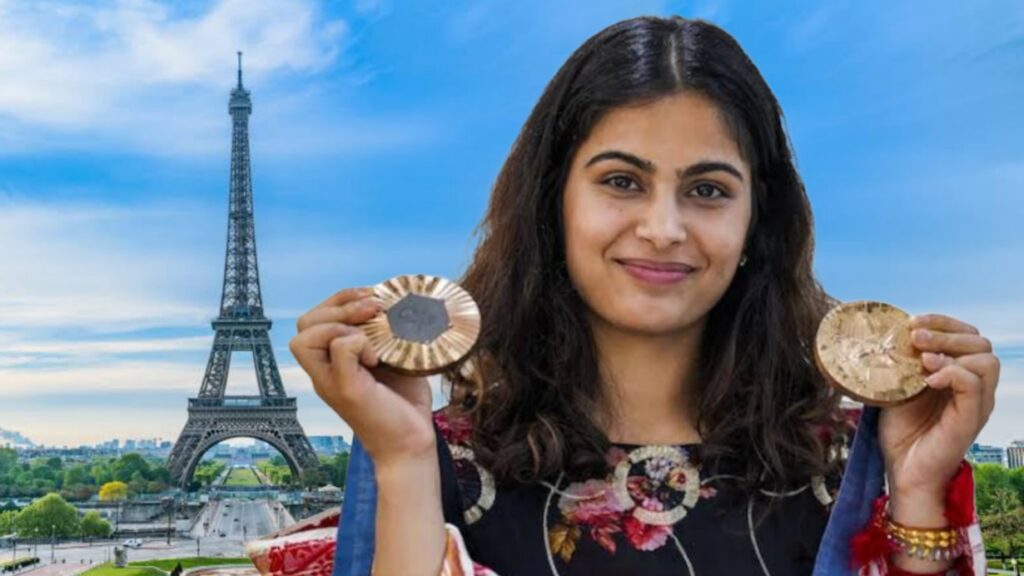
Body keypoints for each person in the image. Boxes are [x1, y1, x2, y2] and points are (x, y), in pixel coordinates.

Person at [290, 15, 999, 576]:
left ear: (758, 221)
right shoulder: (443, 459)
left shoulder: (845, 463)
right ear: (552, 205)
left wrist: (913, 492)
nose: (663, 229)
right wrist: (408, 463)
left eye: (708, 191)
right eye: (622, 181)